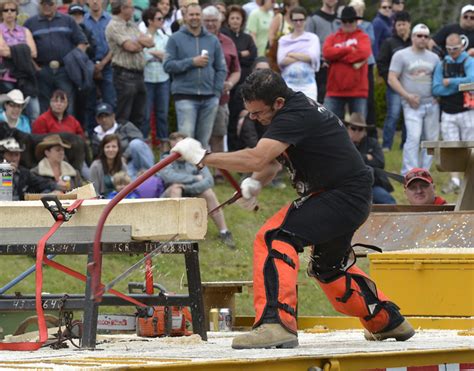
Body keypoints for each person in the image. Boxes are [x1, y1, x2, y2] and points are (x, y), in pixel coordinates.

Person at [170, 69, 414, 349]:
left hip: (339, 195)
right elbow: (271, 162)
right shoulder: (290, 111)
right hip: (348, 195)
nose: (254, 119)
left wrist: (203, 157)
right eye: (250, 113)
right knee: (328, 269)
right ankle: (387, 321)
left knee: (274, 236)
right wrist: (255, 183)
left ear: (278, 103)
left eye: (258, 113)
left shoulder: (294, 114)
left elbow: (257, 157)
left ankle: (276, 324)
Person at [163, 3, 226, 148]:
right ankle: (186, 170)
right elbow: (167, 65)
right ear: (185, 17)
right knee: (187, 143)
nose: (195, 17)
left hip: (209, 98)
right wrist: (192, 62)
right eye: (191, 14)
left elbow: (221, 69)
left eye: (197, 14)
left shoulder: (212, 40)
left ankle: (198, 171)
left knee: (203, 143)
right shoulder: (175, 39)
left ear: (201, 17)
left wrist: (216, 93)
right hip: (185, 97)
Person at [160, 132, 236, 249]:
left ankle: (224, 231)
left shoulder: (196, 158)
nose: (178, 152)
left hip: (192, 191)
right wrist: (194, 178)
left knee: (208, 193)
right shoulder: (166, 159)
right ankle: (176, 234)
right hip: (172, 194)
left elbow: (208, 181)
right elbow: (169, 177)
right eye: (174, 148)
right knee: (175, 189)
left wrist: (187, 186)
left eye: (180, 147)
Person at [388, 24, 440, 175]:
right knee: (413, 137)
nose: (422, 39)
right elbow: (392, 78)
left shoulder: (434, 57)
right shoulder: (401, 55)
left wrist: (439, 96)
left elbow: (438, 79)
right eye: (419, 35)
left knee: (431, 140)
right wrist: (407, 96)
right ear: (412, 37)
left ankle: (425, 172)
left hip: (431, 103)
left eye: (426, 36)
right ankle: (410, 172)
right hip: (411, 104)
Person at [24, 0, 87, 115]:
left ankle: (66, 132)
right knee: (44, 108)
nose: (47, 6)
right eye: (44, 4)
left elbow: (82, 42)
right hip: (42, 70)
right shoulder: (30, 23)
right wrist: (36, 67)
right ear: (39, 5)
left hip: (65, 70)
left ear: (56, 5)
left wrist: (73, 62)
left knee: (67, 105)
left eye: (50, 4)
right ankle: (47, 133)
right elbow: (25, 48)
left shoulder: (68, 20)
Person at [432, 33, 474, 194]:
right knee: (452, 146)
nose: (452, 52)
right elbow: (436, 88)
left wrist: (451, 82)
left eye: (455, 48)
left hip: (467, 110)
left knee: (471, 146)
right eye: (449, 49)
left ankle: (469, 179)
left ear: (462, 46)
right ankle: (455, 180)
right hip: (448, 112)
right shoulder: (442, 64)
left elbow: (472, 80)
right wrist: (459, 85)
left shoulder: (469, 61)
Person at [106, 0, 154, 132]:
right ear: (122, 8)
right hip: (124, 75)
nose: (134, 10)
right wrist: (138, 41)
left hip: (138, 75)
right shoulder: (114, 25)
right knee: (124, 115)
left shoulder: (132, 25)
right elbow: (130, 47)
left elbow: (151, 42)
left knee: (139, 115)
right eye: (131, 8)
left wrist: (136, 40)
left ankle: (135, 143)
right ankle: (121, 144)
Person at [202, 6, 241, 171]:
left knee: (218, 134)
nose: (211, 24)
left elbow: (236, 70)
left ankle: (220, 172)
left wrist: (230, 83)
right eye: (207, 21)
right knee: (200, 137)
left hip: (221, 97)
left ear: (220, 22)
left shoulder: (228, 42)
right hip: (199, 96)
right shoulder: (197, 40)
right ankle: (201, 171)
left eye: (214, 20)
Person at [323, 6, 372, 120]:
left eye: (351, 21)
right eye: (345, 21)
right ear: (341, 22)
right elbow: (326, 53)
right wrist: (349, 49)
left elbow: (363, 53)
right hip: (334, 90)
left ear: (356, 21)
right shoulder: (332, 38)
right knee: (328, 124)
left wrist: (337, 57)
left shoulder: (363, 37)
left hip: (358, 90)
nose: (348, 23)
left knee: (358, 128)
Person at [221, 4, 257, 151]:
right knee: (229, 120)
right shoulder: (224, 36)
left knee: (243, 118)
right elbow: (231, 57)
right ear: (228, 20)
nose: (235, 21)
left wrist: (238, 55)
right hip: (229, 83)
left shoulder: (247, 38)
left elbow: (253, 55)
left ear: (242, 21)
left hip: (245, 83)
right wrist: (241, 54)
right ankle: (230, 150)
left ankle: (242, 149)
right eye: (232, 18)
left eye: (238, 18)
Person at [377, 10, 411, 151]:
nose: (401, 27)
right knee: (393, 115)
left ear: (409, 25)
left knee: (408, 116)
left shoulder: (413, 42)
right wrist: (389, 79)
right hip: (394, 86)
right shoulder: (389, 42)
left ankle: (405, 144)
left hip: (411, 85)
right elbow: (381, 63)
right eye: (398, 25)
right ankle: (386, 145)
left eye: (403, 24)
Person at [91, 102, 154, 178]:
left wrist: (124, 156)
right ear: (97, 120)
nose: (104, 119)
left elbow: (140, 139)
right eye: (101, 117)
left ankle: (152, 175)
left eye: (107, 116)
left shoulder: (125, 125)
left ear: (113, 116)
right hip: (118, 167)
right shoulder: (95, 136)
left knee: (136, 143)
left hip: (136, 159)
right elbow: (98, 156)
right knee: (128, 181)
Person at [0, 0, 39, 121]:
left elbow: (34, 53)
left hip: (27, 76)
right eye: (6, 10)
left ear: (17, 13)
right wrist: (23, 49)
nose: (9, 13)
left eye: (12, 10)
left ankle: (31, 138)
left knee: (34, 111)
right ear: (1, 13)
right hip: (7, 77)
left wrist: (13, 50)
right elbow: (3, 51)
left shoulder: (25, 31)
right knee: (9, 114)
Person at [344, 112, 395, 204]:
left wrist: (357, 159)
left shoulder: (373, 142)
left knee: (389, 202)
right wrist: (366, 157)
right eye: (353, 128)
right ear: (348, 129)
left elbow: (380, 163)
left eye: (360, 129)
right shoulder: (343, 144)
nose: (356, 132)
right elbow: (345, 163)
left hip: (373, 185)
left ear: (365, 131)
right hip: (349, 186)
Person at [84, 0, 116, 136]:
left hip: (108, 65)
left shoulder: (111, 20)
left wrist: (102, 64)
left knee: (110, 100)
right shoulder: (83, 20)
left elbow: (114, 45)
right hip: (87, 65)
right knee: (89, 103)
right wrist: (92, 66)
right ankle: (92, 136)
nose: (95, 2)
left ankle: (111, 135)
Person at [141, 7, 170, 147]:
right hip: (147, 78)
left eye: (162, 18)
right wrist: (157, 54)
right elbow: (142, 58)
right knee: (145, 114)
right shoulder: (141, 36)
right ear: (150, 21)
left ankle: (163, 143)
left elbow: (167, 56)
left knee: (162, 113)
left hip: (163, 78)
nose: (162, 21)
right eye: (159, 19)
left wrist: (152, 53)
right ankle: (146, 144)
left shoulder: (164, 36)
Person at [277, 6, 320, 101]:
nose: (298, 23)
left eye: (301, 20)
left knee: (310, 113)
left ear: (305, 20)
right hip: (288, 84)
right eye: (295, 20)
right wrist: (303, 56)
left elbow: (312, 57)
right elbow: (281, 60)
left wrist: (291, 54)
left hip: (308, 85)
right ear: (291, 21)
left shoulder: (312, 38)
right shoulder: (284, 40)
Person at [304, 0, 340, 103]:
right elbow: (307, 43)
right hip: (320, 69)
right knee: (320, 104)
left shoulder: (341, 20)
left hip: (338, 68)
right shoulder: (313, 19)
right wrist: (320, 60)